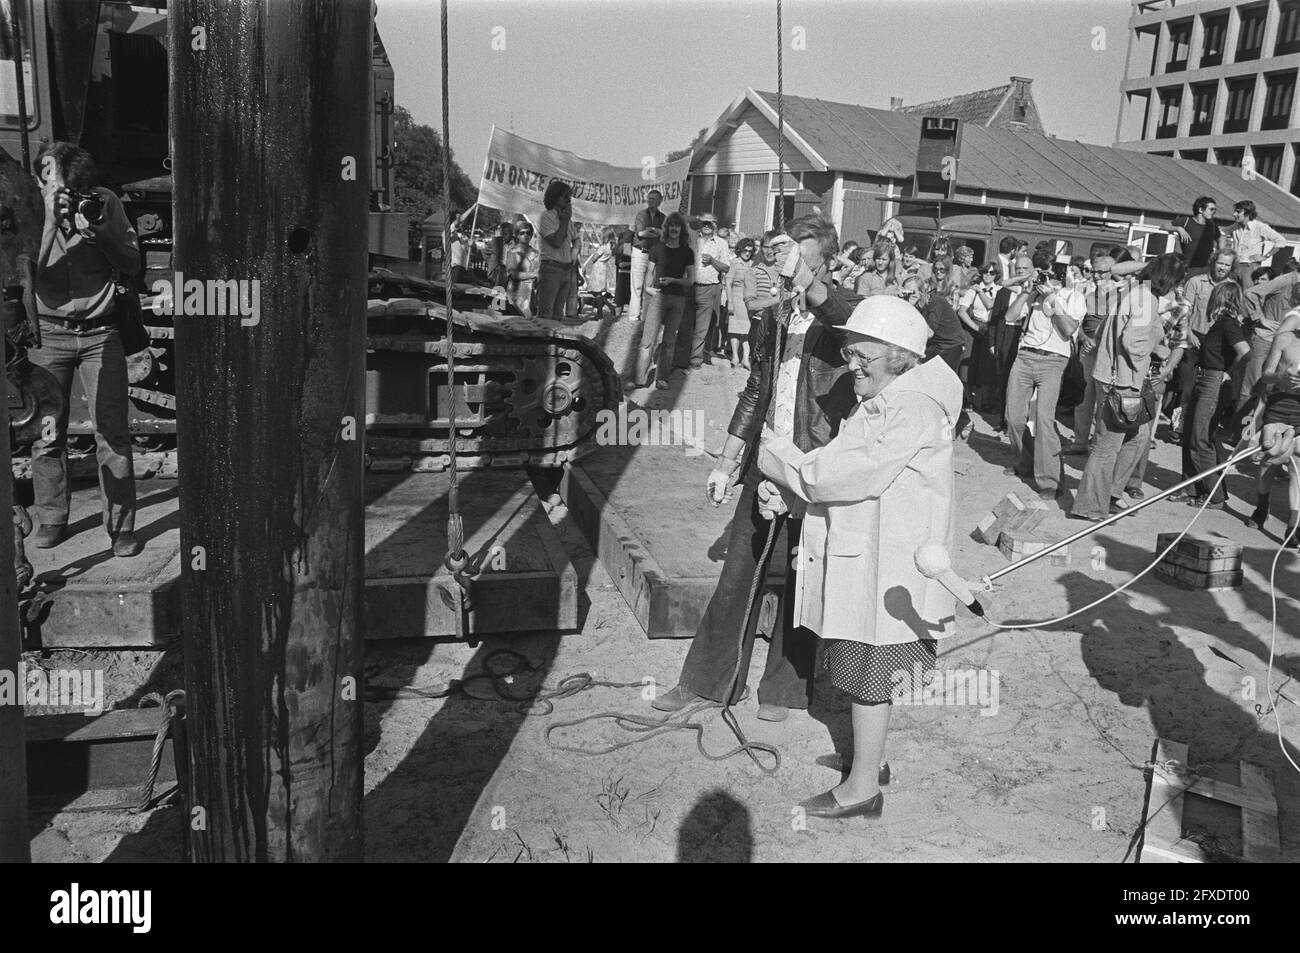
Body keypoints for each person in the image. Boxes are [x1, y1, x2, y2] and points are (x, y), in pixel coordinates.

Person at [757, 295, 962, 819]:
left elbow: (844, 474)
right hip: (875, 554)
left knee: (871, 673)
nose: (851, 365)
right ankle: (871, 761)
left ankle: (863, 790)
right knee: (864, 666)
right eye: (850, 353)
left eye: (861, 355)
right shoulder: (889, 399)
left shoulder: (910, 406)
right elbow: (841, 465)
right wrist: (795, 490)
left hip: (889, 566)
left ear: (898, 354)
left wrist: (777, 458)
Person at [652, 215, 858, 725]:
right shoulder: (776, 317)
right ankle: (706, 683)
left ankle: (784, 689)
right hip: (768, 459)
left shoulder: (846, 315)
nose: (789, 269)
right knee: (737, 576)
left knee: (798, 580)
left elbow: (839, 314)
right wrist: (727, 460)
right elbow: (754, 390)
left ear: (825, 261)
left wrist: (809, 284)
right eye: (785, 258)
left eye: (801, 258)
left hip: (815, 466)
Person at [29, 142, 142, 556]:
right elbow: (26, 272)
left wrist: (102, 234)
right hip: (49, 333)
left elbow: (132, 262)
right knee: (47, 434)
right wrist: (47, 220)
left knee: (113, 432)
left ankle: (122, 528)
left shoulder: (104, 203)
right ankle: (52, 518)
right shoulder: (29, 207)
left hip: (100, 334)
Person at [1071, 254, 1186, 521]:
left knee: (1138, 437)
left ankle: (1109, 494)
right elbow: (1133, 342)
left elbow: (1116, 332)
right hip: (1122, 381)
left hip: (1115, 376)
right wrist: (1151, 357)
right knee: (1107, 447)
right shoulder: (1147, 299)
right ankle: (1090, 505)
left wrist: (1157, 347)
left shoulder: (1135, 291)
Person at [1005, 248, 1085, 501]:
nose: (1048, 278)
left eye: (1052, 273)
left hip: (1054, 361)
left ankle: (1050, 481)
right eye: (1044, 273)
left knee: (1043, 419)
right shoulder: (1033, 293)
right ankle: (1026, 462)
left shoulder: (1073, 296)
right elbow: (1010, 317)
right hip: (1025, 355)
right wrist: (1028, 293)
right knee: (1014, 418)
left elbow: (1068, 330)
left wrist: (1053, 299)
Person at [1166, 281, 1251, 509]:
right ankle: (1192, 487)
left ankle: (1214, 495)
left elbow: (1245, 352)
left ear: (1220, 299)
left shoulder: (1228, 324)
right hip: (1204, 379)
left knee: (1199, 439)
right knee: (1190, 436)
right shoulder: (1221, 324)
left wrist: (1228, 373)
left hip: (1213, 381)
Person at [1176, 249, 1239, 437]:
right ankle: (1178, 426)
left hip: (1216, 345)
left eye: (1227, 265)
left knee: (1207, 390)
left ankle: (1196, 428)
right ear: (1213, 262)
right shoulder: (1196, 282)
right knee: (1187, 387)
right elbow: (1183, 311)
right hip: (1193, 337)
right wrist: (1188, 333)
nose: (1223, 268)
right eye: (1220, 263)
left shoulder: (1232, 287)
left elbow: (1235, 315)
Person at [1251, 305, 1300, 544]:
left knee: (1297, 469)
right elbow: (1266, 374)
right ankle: (1262, 506)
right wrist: (1280, 378)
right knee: (1270, 458)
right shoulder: (1285, 338)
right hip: (1280, 405)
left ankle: (1294, 526)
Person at [1064, 252, 1121, 454]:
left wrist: (1099, 341)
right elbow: (1075, 323)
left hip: (1109, 355)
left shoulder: (1122, 296)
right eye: (1092, 271)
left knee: (1103, 403)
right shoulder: (1086, 296)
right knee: (1083, 400)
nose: (1095, 276)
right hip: (1087, 352)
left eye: (1100, 272)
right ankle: (1080, 443)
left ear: (1111, 272)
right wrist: (1084, 338)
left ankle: (1098, 446)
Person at [632, 211, 694, 390]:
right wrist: (648, 289)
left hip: (678, 299)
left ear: (681, 229)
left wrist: (673, 280)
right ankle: (639, 379)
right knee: (647, 341)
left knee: (668, 342)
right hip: (659, 298)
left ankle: (662, 378)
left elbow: (690, 280)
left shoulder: (687, 252)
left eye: (677, 225)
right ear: (666, 229)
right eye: (671, 225)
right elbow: (648, 274)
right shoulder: (657, 249)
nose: (674, 228)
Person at [687, 212, 731, 368]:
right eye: (703, 223)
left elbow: (726, 267)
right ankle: (680, 360)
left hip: (708, 288)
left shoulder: (721, 243)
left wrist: (712, 261)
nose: (706, 226)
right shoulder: (692, 239)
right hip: (689, 287)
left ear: (715, 225)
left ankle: (695, 359)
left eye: (709, 223)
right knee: (685, 324)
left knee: (702, 326)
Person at [959, 262, 1000, 412]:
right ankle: (968, 399)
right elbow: (962, 311)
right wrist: (975, 327)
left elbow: (991, 306)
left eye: (992, 272)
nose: (988, 275)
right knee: (968, 363)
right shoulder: (973, 290)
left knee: (987, 365)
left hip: (990, 327)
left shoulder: (999, 290)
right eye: (985, 272)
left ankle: (985, 402)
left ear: (996, 275)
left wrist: (980, 291)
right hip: (975, 326)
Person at [537, 181, 579, 321]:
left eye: (570, 197)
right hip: (551, 269)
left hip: (566, 270)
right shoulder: (546, 216)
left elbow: (576, 239)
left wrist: (574, 252)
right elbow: (556, 242)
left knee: (557, 316)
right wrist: (565, 220)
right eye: (565, 196)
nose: (568, 200)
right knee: (546, 315)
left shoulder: (568, 220)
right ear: (555, 197)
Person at [1225, 200, 1285, 289]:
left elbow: (1281, 241)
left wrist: (1266, 256)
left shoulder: (1260, 227)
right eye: (1235, 211)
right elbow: (1220, 233)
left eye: (1238, 212)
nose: (1234, 214)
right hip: (1234, 266)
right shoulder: (1235, 226)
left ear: (1247, 214)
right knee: (1229, 293)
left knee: (1248, 295)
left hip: (1250, 268)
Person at [627, 189, 664, 321]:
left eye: (654, 199)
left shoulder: (663, 217)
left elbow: (664, 235)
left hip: (654, 256)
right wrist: (657, 232)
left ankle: (647, 316)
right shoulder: (641, 214)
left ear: (660, 201)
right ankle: (633, 316)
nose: (650, 201)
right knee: (636, 285)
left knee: (650, 285)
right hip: (640, 252)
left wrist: (652, 230)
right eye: (649, 198)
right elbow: (640, 233)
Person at [1171, 196, 1222, 277]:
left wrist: (1220, 254)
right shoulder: (1186, 221)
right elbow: (1163, 226)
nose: (1214, 212)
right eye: (1211, 209)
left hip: (1206, 269)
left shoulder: (1212, 226)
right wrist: (1179, 228)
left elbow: (1221, 237)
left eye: (1215, 210)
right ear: (1200, 210)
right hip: (1188, 268)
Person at [726, 238, 756, 368]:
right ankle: (735, 356)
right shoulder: (734, 263)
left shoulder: (754, 264)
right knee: (735, 328)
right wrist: (730, 302)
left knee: (747, 330)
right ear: (740, 250)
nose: (747, 253)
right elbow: (728, 283)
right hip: (737, 297)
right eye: (745, 250)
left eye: (750, 251)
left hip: (749, 299)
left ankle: (745, 358)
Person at [581, 228, 617, 321]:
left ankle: (601, 312)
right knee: (598, 292)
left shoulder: (603, 247)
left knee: (596, 292)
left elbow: (594, 258)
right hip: (603, 268)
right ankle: (606, 308)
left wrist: (594, 255)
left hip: (598, 270)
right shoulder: (610, 246)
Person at [506, 221, 539, 317]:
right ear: (517, 235)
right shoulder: (512, 252)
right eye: (522, 233)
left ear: (532, 235)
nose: (525, 235)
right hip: (515, 296)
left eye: (528, 233)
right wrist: (534, 275)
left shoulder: (536, 254)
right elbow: (514, 274)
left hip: (532, 296)